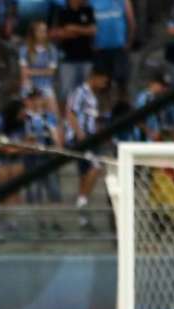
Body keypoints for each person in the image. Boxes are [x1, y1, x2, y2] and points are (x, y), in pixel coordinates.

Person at [65, 66, 109, 229]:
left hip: (91, 139)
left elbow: (91, 118)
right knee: (95, 167)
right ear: (94, 77)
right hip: (81, 139)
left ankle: (82, 212)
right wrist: (79, 133)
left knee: (86, 172)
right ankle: (81, 200)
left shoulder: (92, 96)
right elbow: (71, 113)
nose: (104, 84)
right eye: (103, 80)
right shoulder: (80, 92)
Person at [50, 0, 96, 101]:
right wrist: (81, 31)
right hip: (67, 58)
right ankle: (66, 116)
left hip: (86, 57)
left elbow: (93, 30)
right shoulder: (61, 11)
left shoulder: (88, 10)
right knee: (66, 92)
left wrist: (74, 28)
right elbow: (54, 33)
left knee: (87, 91)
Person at [89, 0, 134, 100]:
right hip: (100, 49)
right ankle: (105, 113)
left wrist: (129, 42)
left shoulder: (124, 1)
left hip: (119, 48)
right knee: (102, 86)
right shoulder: (90, 2)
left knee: (122, 83)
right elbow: (87, 22)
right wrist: (91, 44)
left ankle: (124, 110)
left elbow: (131, 21)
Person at [19, 21, 59, 116]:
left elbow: (51, 72)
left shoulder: (51, 50)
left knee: (54, 116)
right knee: (31, 116)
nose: (43, 33)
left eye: (45, 31)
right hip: (30, 86)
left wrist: (32, 72)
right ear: (34, 33)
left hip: (46, 86)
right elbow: (24, 73)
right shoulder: (24, 50)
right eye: (41, 31)